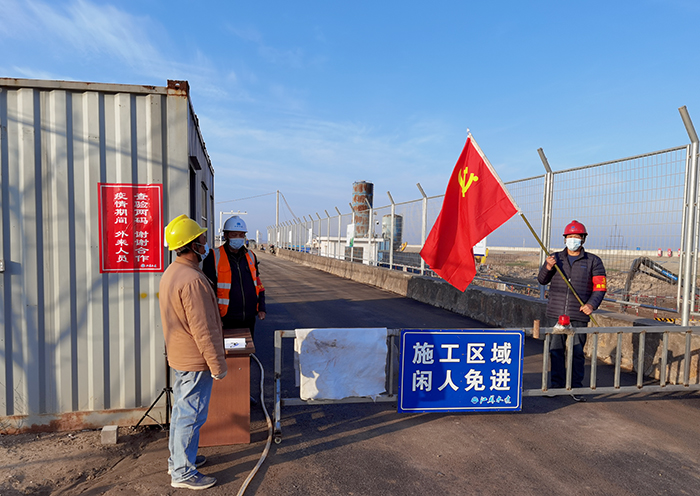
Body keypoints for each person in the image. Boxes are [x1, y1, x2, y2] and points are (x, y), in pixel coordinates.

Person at [160, 214, 227, 490]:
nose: (205, 243)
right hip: (195, 359)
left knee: (181, 411)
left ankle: (178, 459)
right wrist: (217, 365)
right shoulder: (192, 279)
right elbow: (203, 328)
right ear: (191, 245)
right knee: (192, 414)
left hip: (181, 356)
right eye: (201, 239)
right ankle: (183, 472)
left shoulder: (173, 272)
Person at [537, 220, 607, 402]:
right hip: (557, 313)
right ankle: (556, 385)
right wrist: (547, 267)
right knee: (556, 350)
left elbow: (600, 288)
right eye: (570, 237)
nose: (573, 240)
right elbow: (542, 280)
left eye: (576, 237)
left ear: (583, 239)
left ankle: (576, 387)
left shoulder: (593, 261)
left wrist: (591, 305)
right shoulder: (555, 258)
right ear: (565, 239)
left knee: (577, 352)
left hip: (579, 314)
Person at [203, 215, 266, 340]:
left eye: (241, 235)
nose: (238, 238)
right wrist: (212, 318)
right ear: (226, 235)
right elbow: (207, 292)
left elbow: (258, 284)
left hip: (248, 318)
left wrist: (261, 307)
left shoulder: (251, 256)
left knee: (247, 349)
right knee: (227, 350)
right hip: (225, 319)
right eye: (234, 234)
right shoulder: (213, 257)